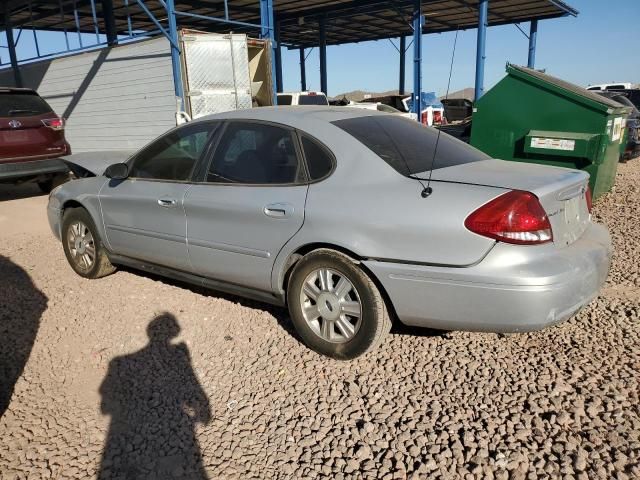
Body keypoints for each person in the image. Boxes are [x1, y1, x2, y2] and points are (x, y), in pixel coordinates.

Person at [98, 313, 211, 479]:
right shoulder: (179, 354)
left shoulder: (118, 362)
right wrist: (202, 408)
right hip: (179, 436)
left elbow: (105, 407)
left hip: (125, 435)